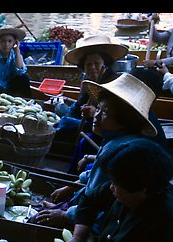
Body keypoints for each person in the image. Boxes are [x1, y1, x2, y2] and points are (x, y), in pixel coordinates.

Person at [34, 73, 159, 230]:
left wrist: (66, 215)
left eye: (105, 112)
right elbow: (92, 175)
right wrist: (70, 187)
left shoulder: (119, 151)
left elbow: (97, 198)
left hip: (99, 220)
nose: (96, 115)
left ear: (124, 121)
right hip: (87, 206)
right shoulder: (112, 140)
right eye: (98, 108)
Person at [54, 35, 128, 174]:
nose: (92, 68)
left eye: (96, 63)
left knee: (70, 127)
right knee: (63, 118)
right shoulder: (88, 83)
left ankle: (72, 175)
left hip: (107, 129)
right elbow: (78, 106)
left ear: (104, 64)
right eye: (88, 64)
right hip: (90, 124)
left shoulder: (114, 83)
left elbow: (117, 117)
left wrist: (95, 113)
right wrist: (74, 112)